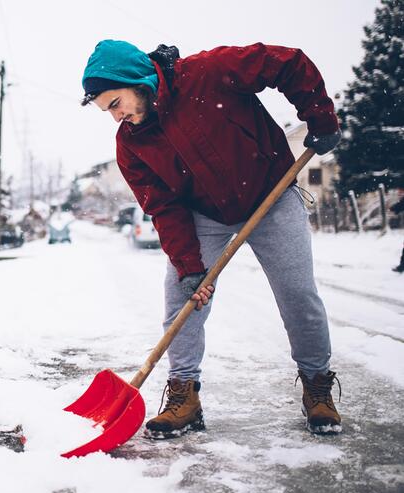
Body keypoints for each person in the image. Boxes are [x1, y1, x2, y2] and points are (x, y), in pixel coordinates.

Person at [80, 40, 343, 438]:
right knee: (182, 298)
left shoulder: (208, 72)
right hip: (205, 213)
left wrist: (320, 117)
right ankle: (184, 395)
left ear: (138, 81)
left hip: (271, 193)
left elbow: (286, 62)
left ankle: (317, 386)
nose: (117, 117)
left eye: (116, 103)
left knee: (297, 293)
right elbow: (163, 207)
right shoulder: (132, 144)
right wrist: (190, 267)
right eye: (108, 111)